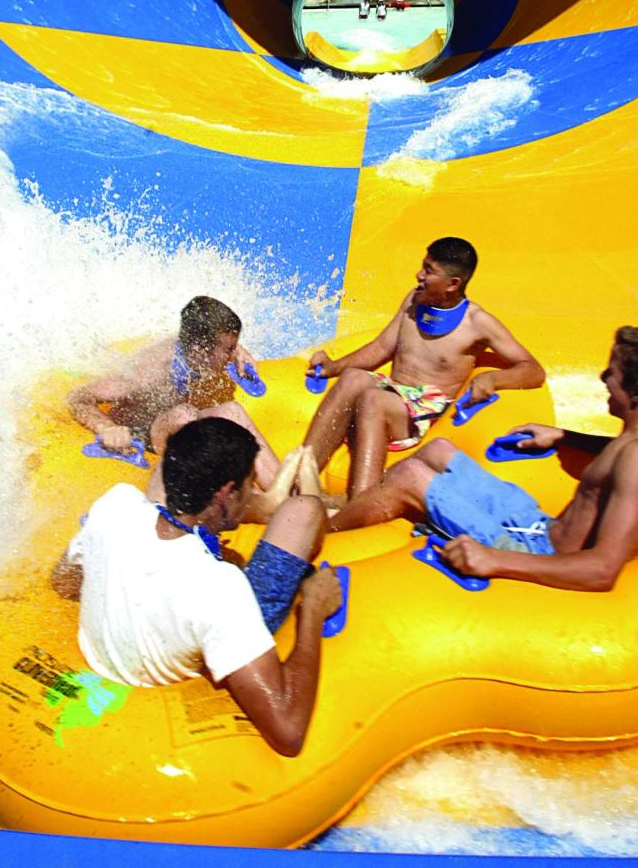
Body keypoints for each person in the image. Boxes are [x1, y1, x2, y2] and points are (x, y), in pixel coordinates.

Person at [52, 418, 341, 756]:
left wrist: (129, 584)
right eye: (249, 486)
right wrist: (312, 613)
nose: (250, 494)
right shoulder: (221, 589)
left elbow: (63, 579)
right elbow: (288, 733)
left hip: (172, 611)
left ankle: (260, 505)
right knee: (304, 509)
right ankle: (291, 501)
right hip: (207, 625)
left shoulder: (116, 505)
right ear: (226, 493)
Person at [329, 327, 638, 593]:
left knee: (410, 475)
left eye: (613, 372)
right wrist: (566, 436)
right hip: (537, 525)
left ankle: (323, 532)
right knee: (438, 452)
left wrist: (494, 559)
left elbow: (601, 570)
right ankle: (357, 506)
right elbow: (624, 453)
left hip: (537, 550)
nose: (603, 377)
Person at [302, 237, 544, 498]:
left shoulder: (477, 323)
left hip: (423, 411)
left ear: (453, 284)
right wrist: (333, 367)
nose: (419, 275)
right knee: (351, 378)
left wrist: (493, 379)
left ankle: (361, 500)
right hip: (394, 393)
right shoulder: (414, 301)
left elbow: (533, 369)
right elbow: (381, 348)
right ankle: (299, 479)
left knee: (374, 399)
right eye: (423, 266)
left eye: (429, 270)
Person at [67, 295, 280, 490]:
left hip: (177, 429)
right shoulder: (149, 371)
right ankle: (239, 495)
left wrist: (237, 351)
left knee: (232, 411)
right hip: (143, 434)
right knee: (184, 415)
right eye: (229, 349)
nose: (235, 354)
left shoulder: (198, 351)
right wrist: (107, 428)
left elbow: (214, 348)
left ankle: (280, 490)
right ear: (199, 351)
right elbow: (78, 397)